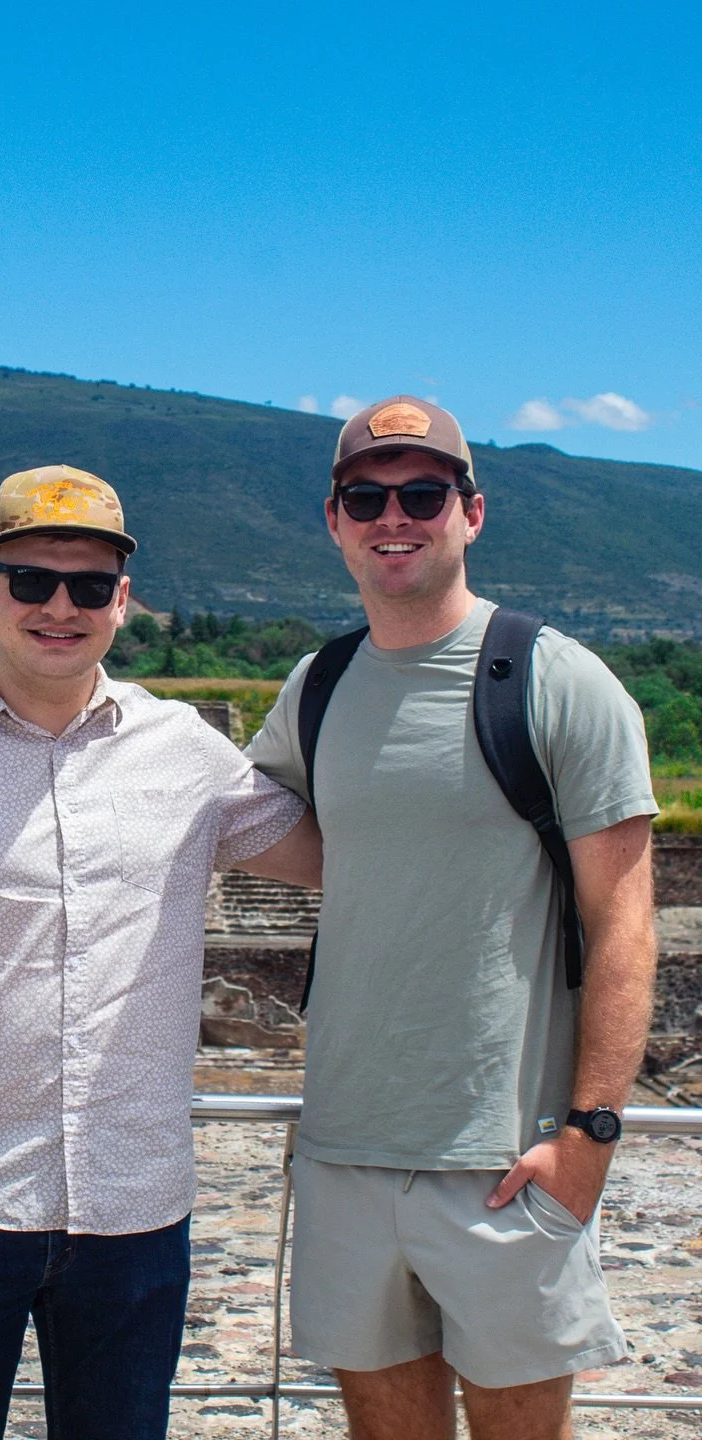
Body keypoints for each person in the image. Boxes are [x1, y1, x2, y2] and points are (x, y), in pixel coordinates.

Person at [0, 464, 321, 1440]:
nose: (60, 606)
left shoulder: (188, 752)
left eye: (88, 583)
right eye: (32, 579)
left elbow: (338, 858)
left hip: (133, 1203)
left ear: (123, 599)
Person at [246, 397, 657, 1440]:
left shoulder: (558, 681)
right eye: (366, 497)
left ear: (471, 512)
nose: (394, 517)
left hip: (506, 1157)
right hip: (345, 1151)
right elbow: (258, 824)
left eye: (423, 494)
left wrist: (590, 1137)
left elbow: (624, 923)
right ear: (334, 521)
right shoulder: (317, 686)